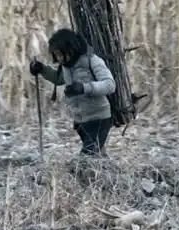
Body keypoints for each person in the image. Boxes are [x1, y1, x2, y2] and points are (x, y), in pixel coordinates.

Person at [29, 28, 116, 156]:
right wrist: (42, 69)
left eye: (60, 54)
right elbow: (58, 79)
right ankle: (106, 167)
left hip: (99, 118)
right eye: (56, 55)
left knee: (87, 157)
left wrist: (84, 88)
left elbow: (110, 85)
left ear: (71, 49)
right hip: (81, 120)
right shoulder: (66, 66)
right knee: (97, 155)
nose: (59, 58)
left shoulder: (92, 60)